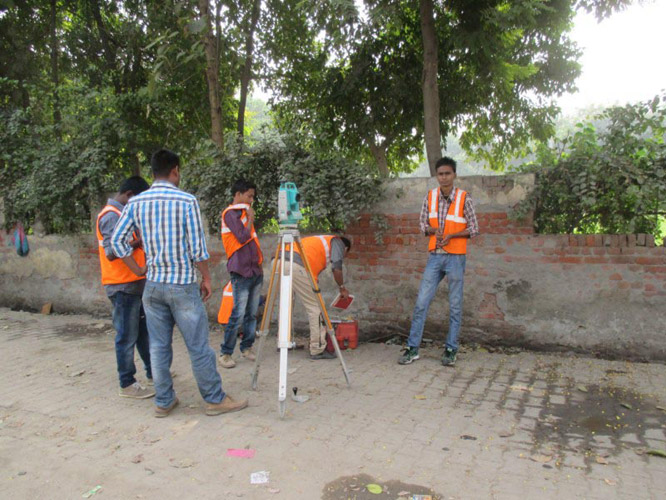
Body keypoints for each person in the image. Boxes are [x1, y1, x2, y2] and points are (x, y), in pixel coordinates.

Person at [111, 149, 248, 418]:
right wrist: (206, 278)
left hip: (152, 286)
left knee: (158, 346)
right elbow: (198, 248)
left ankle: (163, 401)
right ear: (175, 170)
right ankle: (214, 399)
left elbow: (116, 242)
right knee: (198, 346)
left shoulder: (136, 203)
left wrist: (138, 268)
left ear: (153, 172)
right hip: (182, 285)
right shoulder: (186, 201)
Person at [398, 157, 479, 367]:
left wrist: (452, 235)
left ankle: (451, 349)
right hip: (435, 256)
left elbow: (474, 228)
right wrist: (434, 230)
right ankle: (412, 348)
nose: (444, 177)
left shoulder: (464, 198)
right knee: (421, 303)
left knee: (455, 306)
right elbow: (422, 225)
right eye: (440, 174)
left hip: (456, 257)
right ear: (436, 176)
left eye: (447, 173)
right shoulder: (430, 197)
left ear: (454, 175)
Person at [96, 176, 154, 399]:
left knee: (142, 333)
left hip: (134, 284)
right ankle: (127, 383)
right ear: (130, 195)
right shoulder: (111, 216)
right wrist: (137, 243)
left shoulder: (122, 214)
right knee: (127, 335)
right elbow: (112, 252)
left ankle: (153, 372)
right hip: (122, 285)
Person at [219, 179, 263, 368]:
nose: (251, 200)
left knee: (251, 314)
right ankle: (226, 353)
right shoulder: (230, 214)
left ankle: (246, 347)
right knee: (237, 314)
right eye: (249, 196)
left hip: (254, 269)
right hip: (240, 270)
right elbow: (243, 236)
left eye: (253, 197)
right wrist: (251, 218)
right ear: (238, 194)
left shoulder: (244, 213)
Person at [287, 235, 352, 360]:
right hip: (297, 266)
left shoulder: (316, 241)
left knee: (287, 304)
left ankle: (284, 342)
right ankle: (317, 348)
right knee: (315, 307)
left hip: (279, 261)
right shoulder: (337, 242)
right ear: (346, 249)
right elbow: (336, 268)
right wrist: (342, 287)